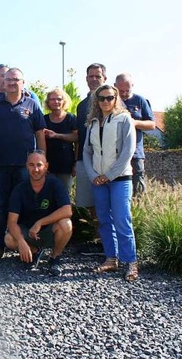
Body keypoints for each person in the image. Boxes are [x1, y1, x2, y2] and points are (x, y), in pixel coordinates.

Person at [0, 68, 46, 262]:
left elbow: (40, 134)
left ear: (23, 82)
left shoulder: (32, 105)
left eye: (15, 79)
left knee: (27, 205)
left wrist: (42, 162)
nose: (11, 83)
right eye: (8, 79)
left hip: (25, 167)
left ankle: (29, 246)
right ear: (2, 82)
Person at [83, 85, 138, 281]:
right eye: (102, 98)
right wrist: (92, 175)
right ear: (96, 101)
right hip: (98, 180)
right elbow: (87, 152)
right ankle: (111, 259)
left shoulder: (124, 119)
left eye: (109, 97)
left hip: (120, 178)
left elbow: (128, 151)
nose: (105, 101)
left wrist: (110, 175)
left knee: (122, 219)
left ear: (116, 98)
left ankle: (131, 262)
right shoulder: (92, 122)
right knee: (104, 220)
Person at [4, 150, 73, 276]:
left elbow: (67, 210)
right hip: (28, 233)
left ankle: (54, 258)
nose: (35, 169)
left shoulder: (55, 183)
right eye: (31, 165)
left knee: (66, 224)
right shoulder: (19, 189)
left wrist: (40, 222)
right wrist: (21, 242)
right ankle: (34, 252)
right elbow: (11, 222)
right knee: (9, 239)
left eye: (39, 165)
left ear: (46, 166)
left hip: (49, 230)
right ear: (26, 166)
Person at [75, 63, 107, 255]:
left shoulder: (111, 100)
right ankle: (99, 240)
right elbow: (79, 135)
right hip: (85, 160)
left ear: (104, 78)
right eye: (90, 76)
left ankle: (109, 243)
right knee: (90, 203)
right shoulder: (81, 106)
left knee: (106, 202)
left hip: (105, 160)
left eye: (98, 76)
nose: (94, 79)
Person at [114, 73, 155, 196]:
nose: (124, 93)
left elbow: (152, 125)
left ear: (132, 86)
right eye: (121, 91)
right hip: (114, 152)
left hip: (136, 153)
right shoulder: (110, 100)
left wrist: (134, 122)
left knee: (138, 188)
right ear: (115, 87)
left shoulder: (140, 100)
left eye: (127, 90)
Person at [43, 88, 78, 194]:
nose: (56, 102)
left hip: (66, 164)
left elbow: (77, 138)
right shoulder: (44, 119)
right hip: (48, 164)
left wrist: (56, 135)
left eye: (59, 99)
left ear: (64, 101)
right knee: (48, 195)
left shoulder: (71, 118)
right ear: (48, 102)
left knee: (64, 195)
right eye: (52, 99)